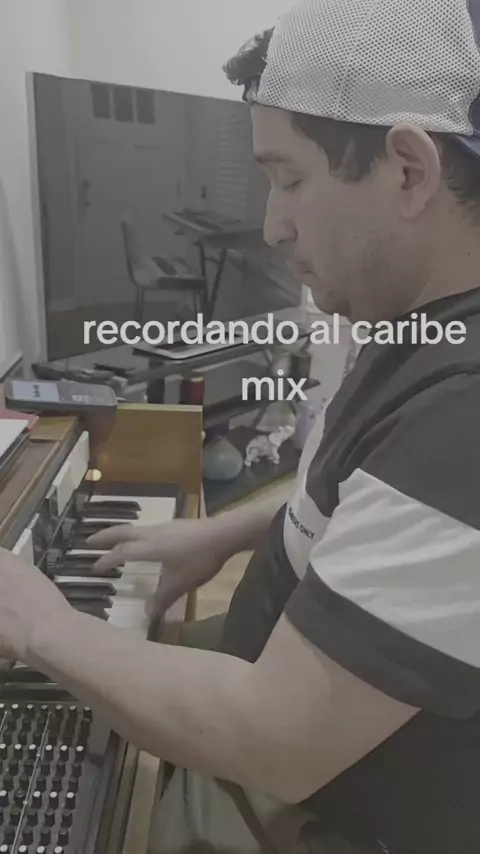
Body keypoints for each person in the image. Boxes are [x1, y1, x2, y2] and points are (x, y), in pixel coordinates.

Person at [4, 0, 480, 850]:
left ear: (409, 171)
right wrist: (222, 533)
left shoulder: (462, 415)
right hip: (271, 674)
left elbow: (274, 740)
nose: (272, 225)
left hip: (312, 804)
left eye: (289, 178)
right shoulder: (415, 321)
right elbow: (361, 494)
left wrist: (42, 625)